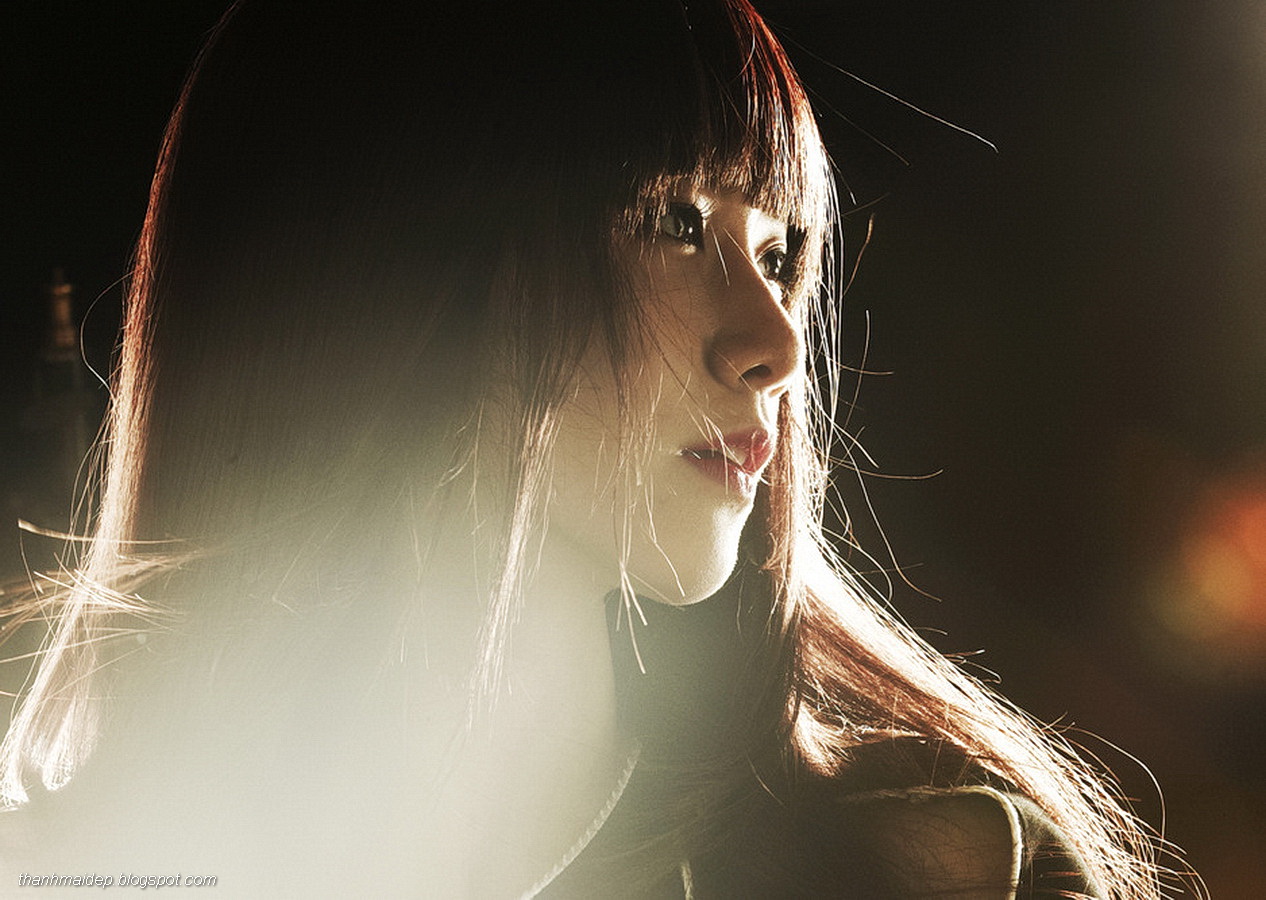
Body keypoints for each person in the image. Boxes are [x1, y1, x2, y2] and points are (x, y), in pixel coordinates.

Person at [0, 1, 1186, 896]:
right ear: (382, 249)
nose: (778, 344)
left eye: (780, 253)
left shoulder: (942, 873)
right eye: (675, 221)